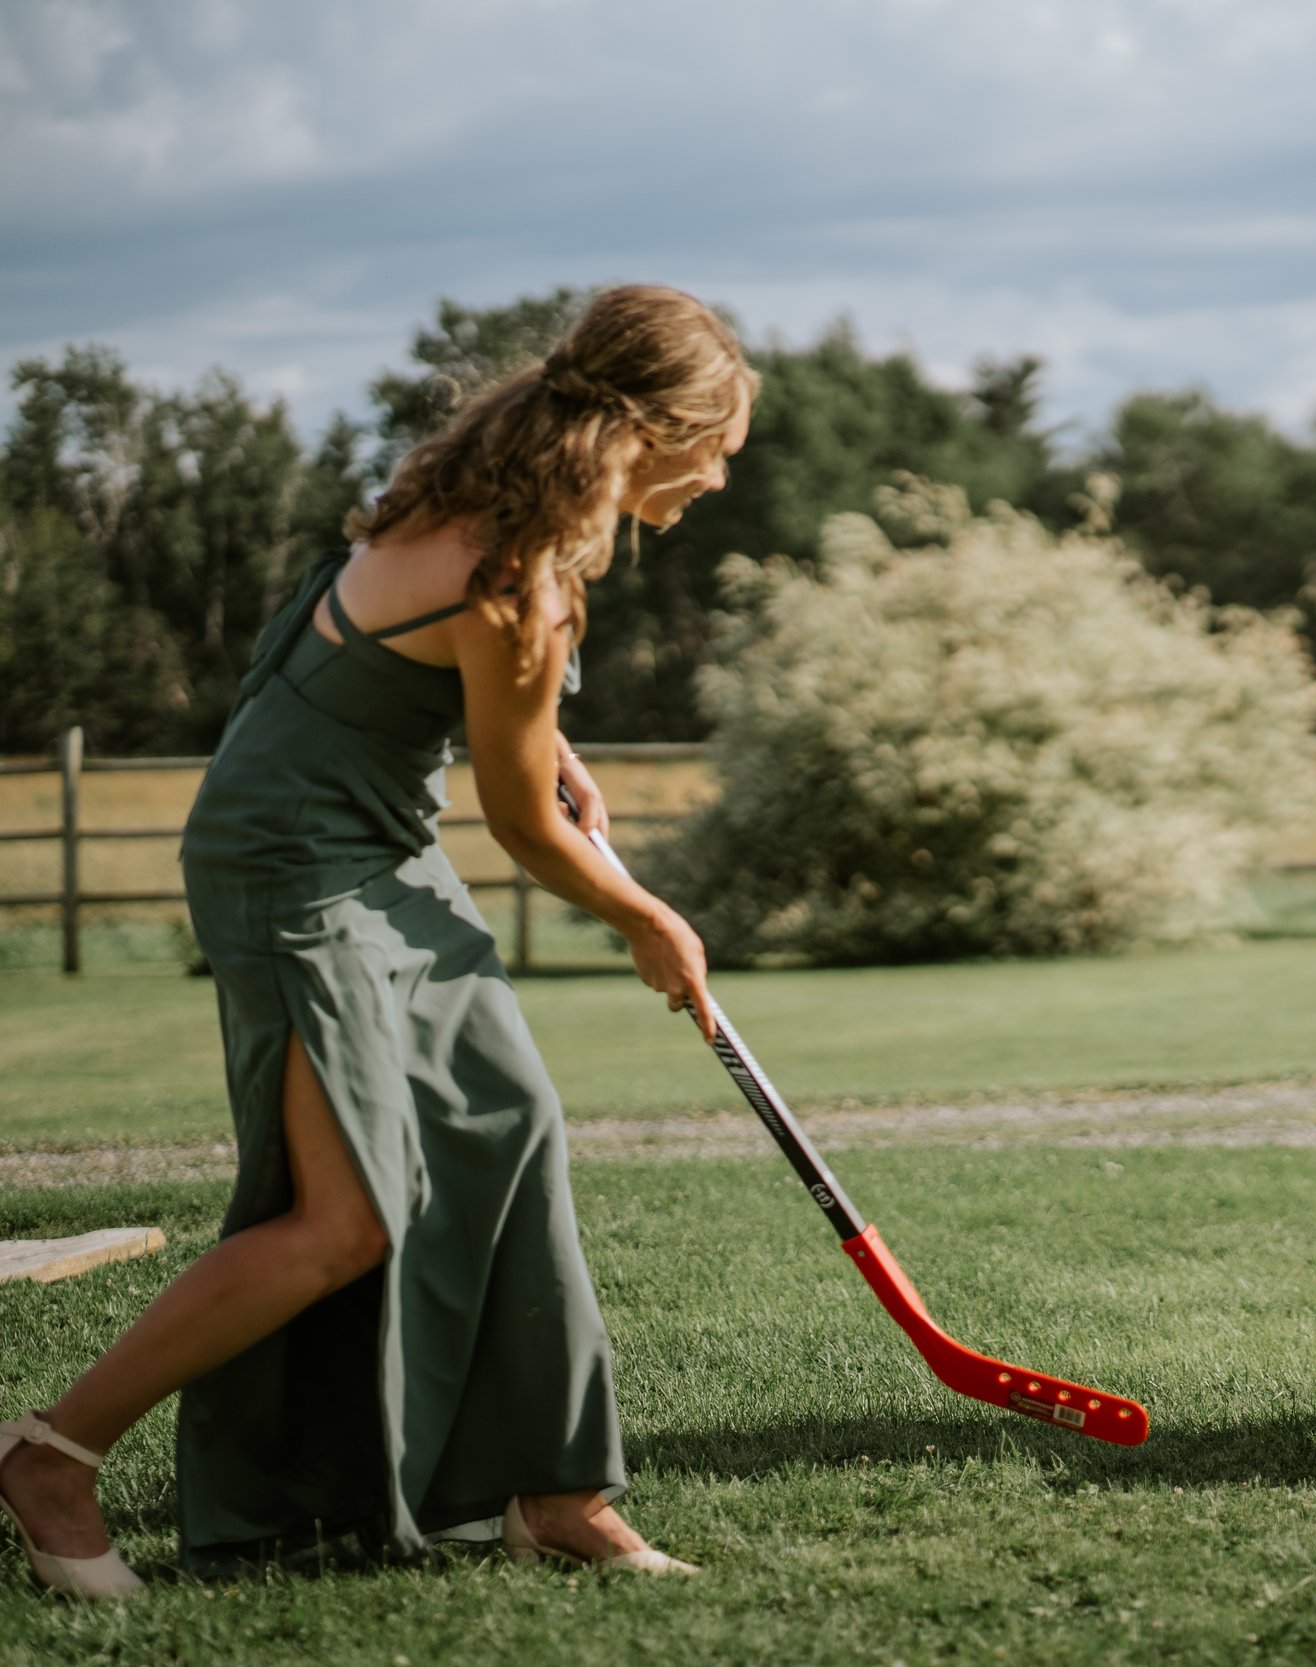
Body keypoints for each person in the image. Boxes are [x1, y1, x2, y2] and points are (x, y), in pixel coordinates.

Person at [0, 285, 754, 1598]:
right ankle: (52, 1454)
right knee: (340, 1221)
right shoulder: (517, 575)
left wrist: (548, 729)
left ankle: (554, 1488)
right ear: (660, 425)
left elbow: (403, 674)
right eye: (721, 441)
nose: (726, 470)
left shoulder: (489, 519)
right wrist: (654, 917)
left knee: (509, 1121)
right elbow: (519, 824)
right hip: (298, 863)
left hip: (374, 844)